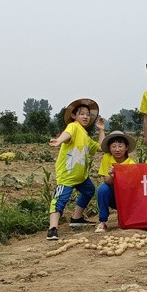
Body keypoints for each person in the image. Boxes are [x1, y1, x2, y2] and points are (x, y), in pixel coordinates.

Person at [47, 98, 104, 240]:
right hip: (67, 174)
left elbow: (101, 148)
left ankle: (76, 218)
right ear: (74, 116)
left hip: (81, 176)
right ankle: (52, 228)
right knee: (60, 199)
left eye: (88, 114)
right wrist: (59, 141)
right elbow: (67, 135)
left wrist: (101, 130)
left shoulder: (85, 135)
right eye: (82, 114)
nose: (86, 116)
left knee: (89, 190)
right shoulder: (73, 126)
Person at [95, 130, 137, 233]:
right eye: (114, 146)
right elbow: (107, 182)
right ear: (109, 148)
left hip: (126, 197)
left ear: (126, 147)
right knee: (102, 189)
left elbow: (132, 187)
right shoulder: (106, 158)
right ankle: (103, 222)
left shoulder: (131, 164)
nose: (117, 149)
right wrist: (112, 176)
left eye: (120, 146)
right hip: (113, 196)